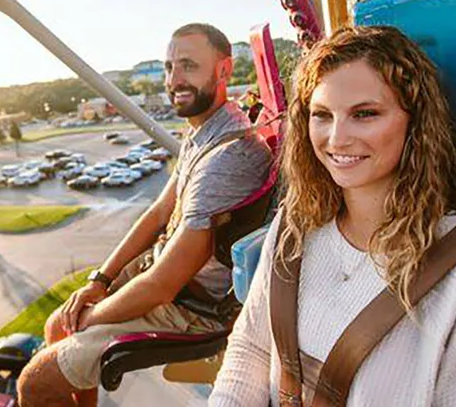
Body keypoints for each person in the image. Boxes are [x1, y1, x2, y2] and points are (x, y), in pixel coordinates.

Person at [209, 26, 456, 406]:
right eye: (322, 115)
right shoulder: (296, 224)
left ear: (415, 122)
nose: (336, 138)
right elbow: (252, 348)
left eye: (365, 114)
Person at [17, 23, 273, 407]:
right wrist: (99, 281)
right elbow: (159, 213)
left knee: (33, 385)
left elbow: (162, 286)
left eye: (188, 65)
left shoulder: (227, 158)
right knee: (58, 324)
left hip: (193, 309)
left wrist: (91, 319)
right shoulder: (206, 131)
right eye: (170, 67)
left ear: (223, 71)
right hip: (171, 285)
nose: (175, 79)